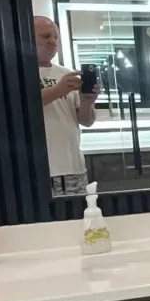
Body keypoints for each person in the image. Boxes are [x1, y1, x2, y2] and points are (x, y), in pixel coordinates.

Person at [34, 15, 96, 196]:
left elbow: (86, 121)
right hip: (41, 169)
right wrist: (58, 89)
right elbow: (21, 107)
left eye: (55, 37)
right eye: (45, 37)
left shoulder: (66, 74)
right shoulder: (17, 73)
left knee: (79, 218)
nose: (52, 42)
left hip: (73, 167)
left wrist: (86, 102)